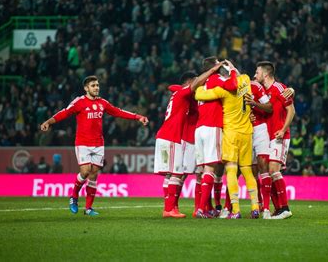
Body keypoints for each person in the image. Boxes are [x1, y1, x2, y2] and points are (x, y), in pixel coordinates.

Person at [40, 75, 149, 216]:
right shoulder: (79, 102)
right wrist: (49, 122)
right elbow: (64, 113)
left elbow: (118, 111)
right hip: (83, 143)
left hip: (98, 143)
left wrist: (138, 117)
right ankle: (73, 197)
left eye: (97, 85)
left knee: (93, 175)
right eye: (93, 85)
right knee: (85, 171)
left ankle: (88, 208)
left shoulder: (103, 103)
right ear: (86, 88)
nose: (96, 88)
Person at [154, 64, 223, 218]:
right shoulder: (183, 93)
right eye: (195, 82)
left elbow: (171, 87)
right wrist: (212, 70)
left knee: (176, 173)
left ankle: (175, 208)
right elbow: (179, 86)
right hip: (175, 137)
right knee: (177, 173)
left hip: (174, 136)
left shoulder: (180, 94)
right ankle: (170, 208)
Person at [195, 60, 259, 219]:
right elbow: (237, 82)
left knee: (231, 170)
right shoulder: (245, 81)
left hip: (231, 133)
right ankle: (255, 208)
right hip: (247, 133)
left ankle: (236, 211)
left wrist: (202, 87)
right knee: (247, 171)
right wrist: (233, 70)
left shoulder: (222, 90)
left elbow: (198, 94)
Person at [193, 57, 239, 218]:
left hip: (199, 129)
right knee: (211, 169)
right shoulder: (216, 79)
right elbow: (234, 85)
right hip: (213, 126)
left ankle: (206, 208)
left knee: (204, 169)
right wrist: (232, 70)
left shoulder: (201, 84)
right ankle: (201, 209)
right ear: (216, 66)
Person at [253, 61, 295, 219]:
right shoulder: (263, 91)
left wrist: (283, 130)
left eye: (257, 72)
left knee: (273, 170)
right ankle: (278, 209)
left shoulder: (279, 88)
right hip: (267, 137)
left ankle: (285, 208)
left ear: (265, 74)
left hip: (279, 135)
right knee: (268, 174)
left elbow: (291, 110)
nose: (255, 75)